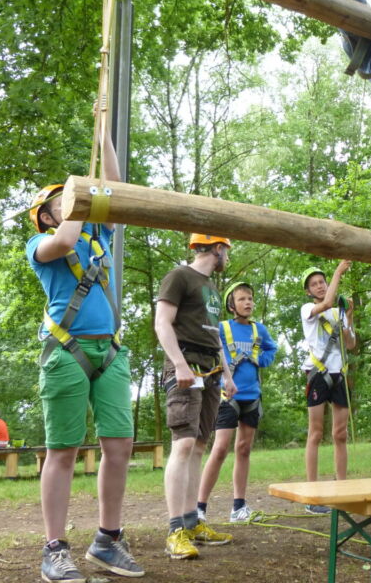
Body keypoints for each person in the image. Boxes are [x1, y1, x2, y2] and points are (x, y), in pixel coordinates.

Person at [26, 119, 143, 582]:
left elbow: (116, 190)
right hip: (65, 351)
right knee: (64, 450)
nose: (73, 202)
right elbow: (66, 240)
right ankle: (54, 548)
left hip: (110, 353)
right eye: (64, 200)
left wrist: (104, 138)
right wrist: (81, 193)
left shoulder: (101, 235)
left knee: (119, 446)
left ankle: (108, 540)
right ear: (47, 214)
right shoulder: (41, 243)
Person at [154, 234, 237, 560]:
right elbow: (162, 323)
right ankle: (175, 530)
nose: (228, 257)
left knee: (199, 446)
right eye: (227, 251)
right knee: (184, 444)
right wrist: (178, 365)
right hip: (184, 367)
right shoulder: (179, 277)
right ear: (218, 248)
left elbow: (215, 335)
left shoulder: (211, 288)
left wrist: (227, 373)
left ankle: (192, 522)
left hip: (211, 372)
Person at [197, 281, 278, 524]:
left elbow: (271, 350)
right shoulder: (222, 327)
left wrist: (260, 360)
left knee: (244, 448)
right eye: (242, 299)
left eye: (250, 298)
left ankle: (239, 507)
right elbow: (208, 343)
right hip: (227, 396)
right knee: (220, 448)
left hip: (251, 396)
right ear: (231, 305)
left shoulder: (259, 330)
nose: (248, 302)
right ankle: (199, 507)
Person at [300, 261, 356, 515]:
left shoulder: (338, 312)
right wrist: (338, 272)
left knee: (340, 434)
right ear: (308, 291)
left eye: (322, 282)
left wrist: (350, 317)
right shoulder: (309, 309)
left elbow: (351, 344)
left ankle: (342, 490)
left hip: (339, 374)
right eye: (315, 284)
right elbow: (327, 304)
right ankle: (313, 495)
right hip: (319, 374)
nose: (320, 286)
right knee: (316, 433)